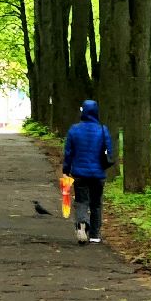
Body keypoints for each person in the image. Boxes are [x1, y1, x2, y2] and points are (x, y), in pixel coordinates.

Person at [61, 99, 114, 245]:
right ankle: (95, 235)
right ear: (96, 112)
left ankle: (82, 224)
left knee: (81, 201)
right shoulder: (103, 130)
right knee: (96, 204)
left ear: (82, 111)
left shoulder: (74, 129)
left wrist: (66, 170)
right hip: (98, 175)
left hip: (79, 174)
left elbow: (68, 152)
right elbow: (109, 151)